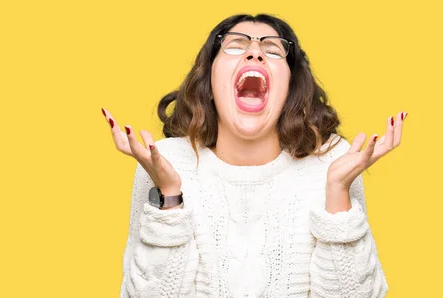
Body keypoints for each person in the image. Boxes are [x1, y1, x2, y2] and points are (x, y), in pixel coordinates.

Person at [102, 14, 404, 298]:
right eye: (235, 45)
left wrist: (337, 194)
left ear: (290, 87)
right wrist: (169, 198)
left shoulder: (331, 160)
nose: (255, 52)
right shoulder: (166, 162)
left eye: (273, 49)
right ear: (208, 81)